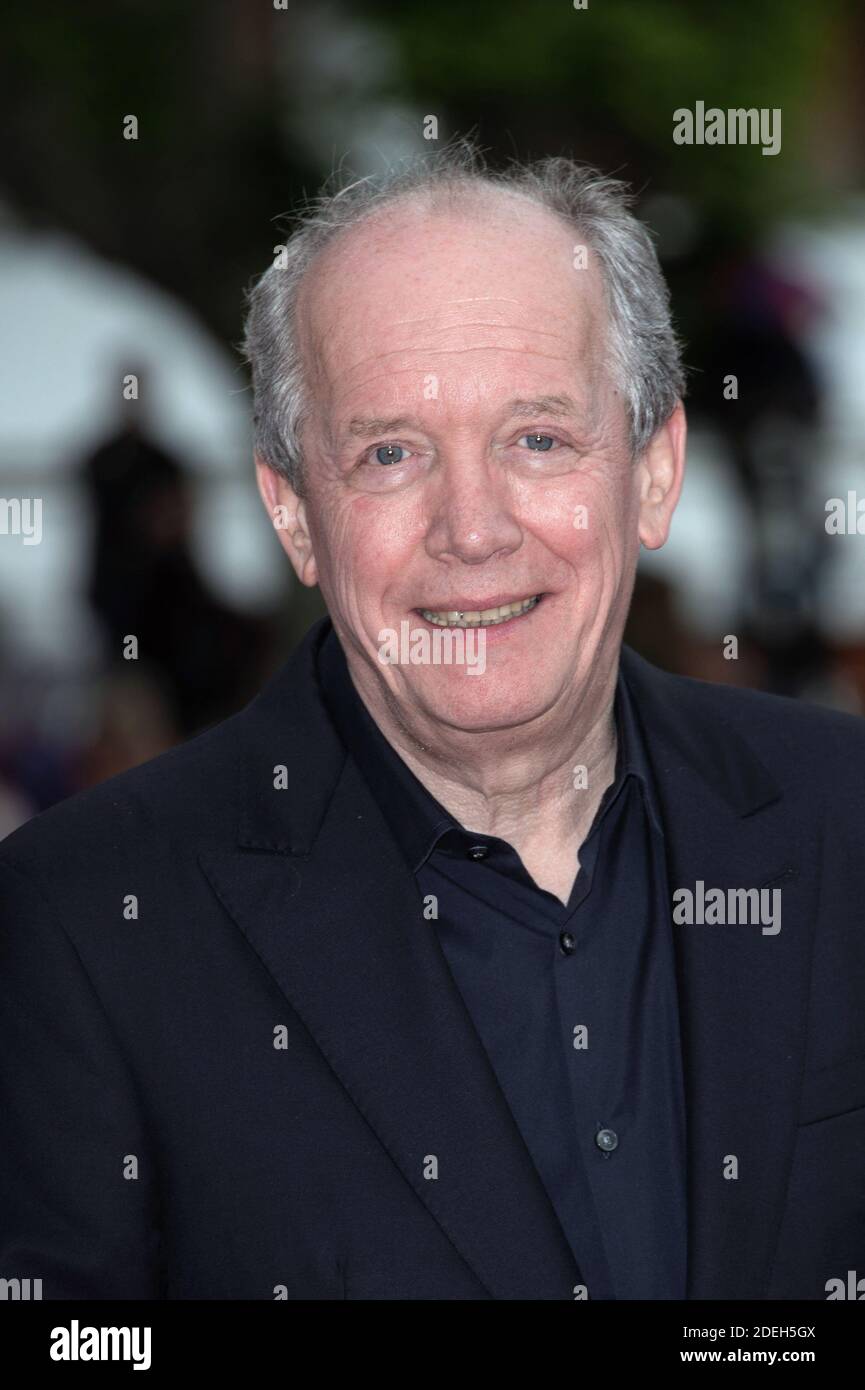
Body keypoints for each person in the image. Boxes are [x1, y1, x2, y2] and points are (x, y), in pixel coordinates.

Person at [1, 144, 863, 1301]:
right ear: (295, 514)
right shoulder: (79, 921)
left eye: (538, 439)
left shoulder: (844, 820)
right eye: (391, 453)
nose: (472, 528)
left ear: (654, 473)